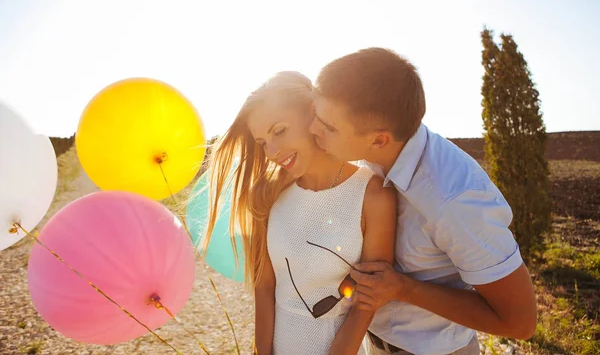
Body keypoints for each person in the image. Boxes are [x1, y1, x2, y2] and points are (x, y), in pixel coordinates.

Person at [309, 48, 537, 355]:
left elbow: (519, 322)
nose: (313, 129)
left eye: (329, 126)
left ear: (379, 139)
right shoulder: (369, 155)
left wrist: (404, 289)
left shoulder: (455, 200)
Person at [202, 71, 397, 354]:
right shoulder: (267, 195)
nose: (272, 151)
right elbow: (265, 287)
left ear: (314, 114)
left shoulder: (374, 194)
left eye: (279, 131)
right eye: (262, 142)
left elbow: (367, 299)